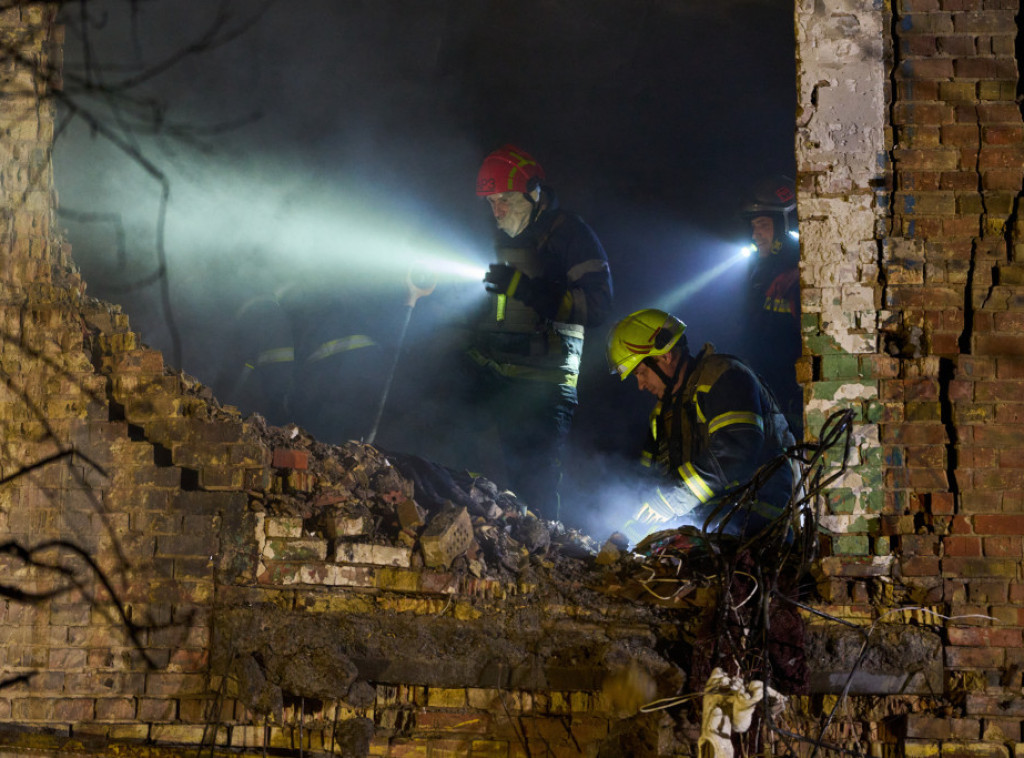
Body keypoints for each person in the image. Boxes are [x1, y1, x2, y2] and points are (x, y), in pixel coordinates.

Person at [468, 144, 613, 518]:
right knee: (480, 486)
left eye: (505, 201)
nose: (497, 212)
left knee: (534, 489)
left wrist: (528, 290)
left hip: (543, 387)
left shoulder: (569, 233)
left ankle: (542, 564)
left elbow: (597, 306)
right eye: (491, 203)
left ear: (533, 193)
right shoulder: (503, 237)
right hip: (494, 378)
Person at [606, 308, 798, 545]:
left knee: (686, 548)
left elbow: (735, 455)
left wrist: (669, 502)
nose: (641, 385)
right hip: (715, 516)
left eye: (641, 372)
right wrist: (633, 524)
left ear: (665, 356)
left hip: (762, 511)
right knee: (662, 547)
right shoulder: (663, 414)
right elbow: (651, 478)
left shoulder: (725, 376)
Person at [739, 175, 802, 436]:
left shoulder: (797, 276)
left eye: (762, 226)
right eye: (753, 227)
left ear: (784, 225)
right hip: (768, 393)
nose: (756, 235)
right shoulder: (759, 273)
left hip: (792, 398)